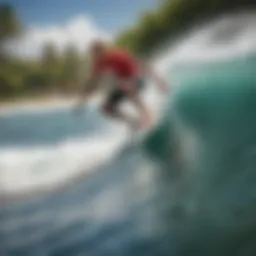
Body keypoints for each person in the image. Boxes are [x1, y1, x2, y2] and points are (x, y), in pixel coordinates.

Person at [75, 40, 168, 131]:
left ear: (103, 50)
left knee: (126, 85)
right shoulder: (99, 63)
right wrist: (82, 102)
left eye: (95, 53)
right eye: (93, 54)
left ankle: (150, 120)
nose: (94, 56)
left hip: (138, 79)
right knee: (106, 108)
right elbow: (92, 83)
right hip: (125, 84)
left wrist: (159, 81)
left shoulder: (118, 55)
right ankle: (135, 123)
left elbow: (143, 64)